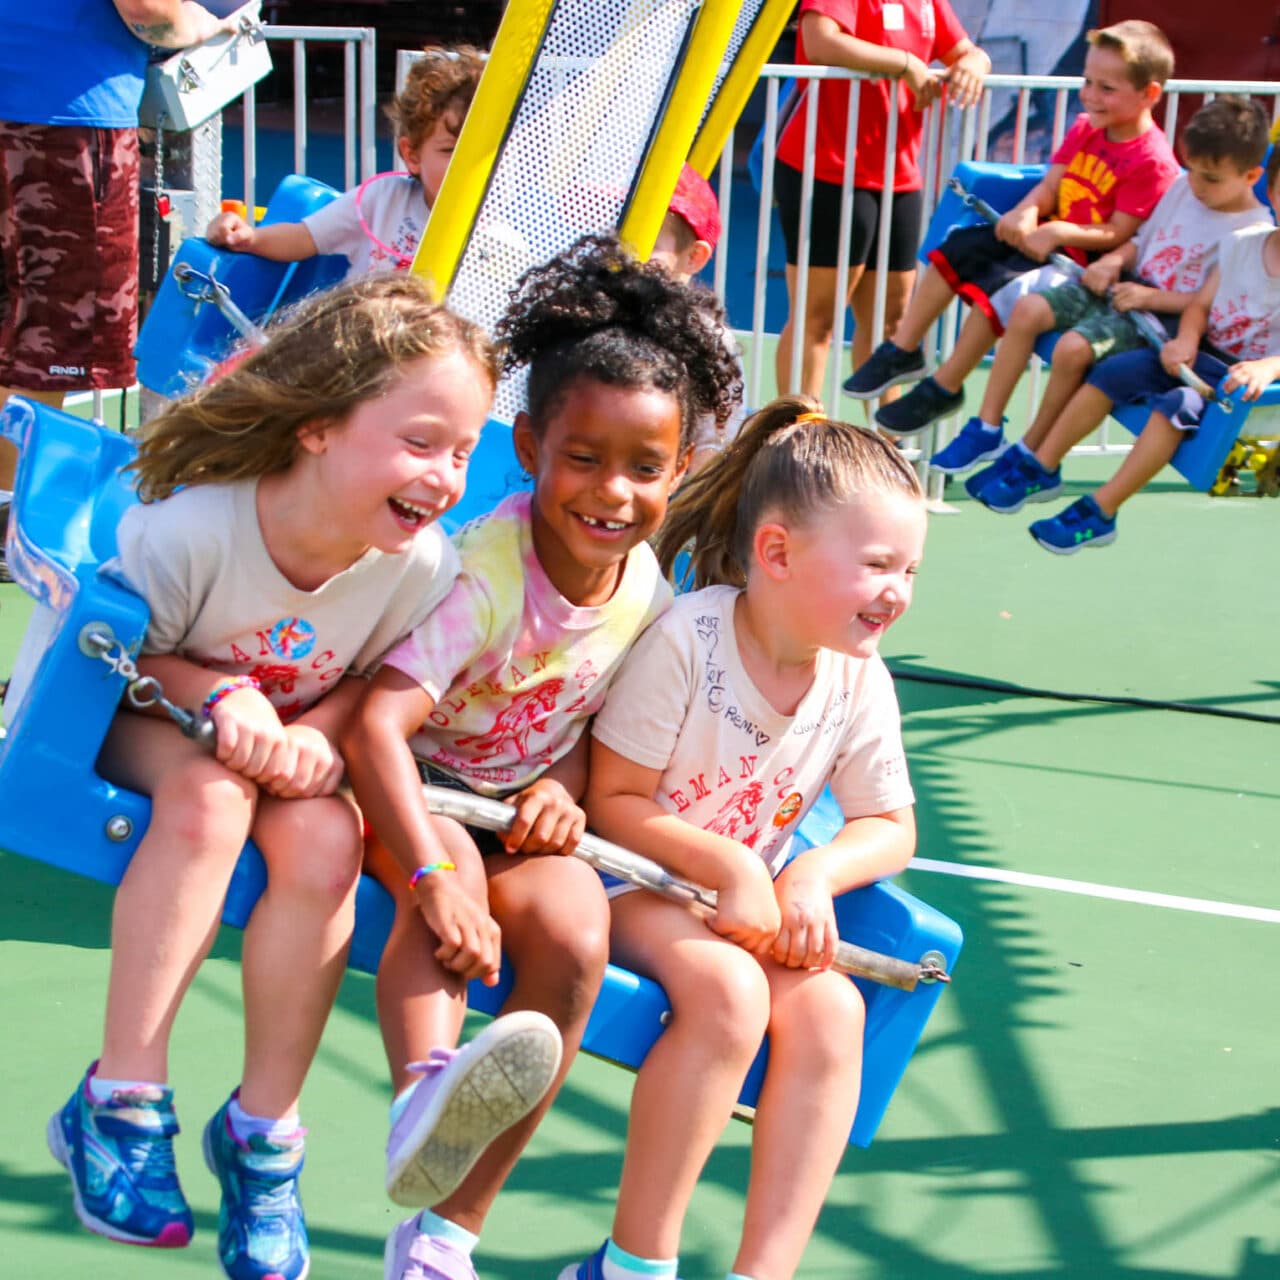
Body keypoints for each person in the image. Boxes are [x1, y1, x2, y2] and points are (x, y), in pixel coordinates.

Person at [46, 275, 498, 1280]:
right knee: (210, 800)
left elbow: (370, 684)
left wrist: (325, 734)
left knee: (330, 838)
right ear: (318, 427)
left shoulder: (415, 565)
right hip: (126, 711)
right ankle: (118, 1099)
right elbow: (115, 659)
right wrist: (220, 695)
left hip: (278, 744)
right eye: (422, 441)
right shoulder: (195, 528)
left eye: (464, 451)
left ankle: (263, 1135)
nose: (447, 475)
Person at [340, 233, 743, 1280]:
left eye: (644, 466)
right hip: (414, 789)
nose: (611, 490)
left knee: (573, 931)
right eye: (584, 457)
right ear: (528, 447)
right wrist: (427, 870)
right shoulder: (486, 572)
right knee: (457, 896)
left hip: (512, 806)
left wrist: (563, 796)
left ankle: (443, 1235)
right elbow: (378, 724)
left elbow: (581, 734)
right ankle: (423, 1092)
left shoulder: (646, 589)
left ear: (681, 470)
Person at [563, 399, 926, 1280]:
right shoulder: (690, 640)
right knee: (729, 994)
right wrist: (731, 864)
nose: (898, 590)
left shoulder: (857, 677)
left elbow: (890, 826)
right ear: (776, 553)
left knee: (836, 1013)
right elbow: (613, 799)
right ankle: (634, 1264)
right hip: (633, 880)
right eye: (877, 564)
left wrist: (813, 875)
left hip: (744, 898)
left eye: (910, 568)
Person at [846, 19, 1180, 439]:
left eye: (1106, 89)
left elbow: (1117, 233)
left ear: (1149, 93)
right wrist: (1025, 212)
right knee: (955, 250)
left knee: (1001, 293)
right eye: (1088, 82)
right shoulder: (1085, 127)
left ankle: (944, 386)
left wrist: (1057, 233)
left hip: (1078, 269)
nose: (1090, 96)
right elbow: (1051, 185)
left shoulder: (1151, 161)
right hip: (1043, 242)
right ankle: (903, 349)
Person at [0, 0, 241, 580]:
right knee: (49, 347)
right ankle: (12, 516)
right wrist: (209, 24)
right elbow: (148, 9)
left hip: (41, 106)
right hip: (61, 121)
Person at [935, 95, 1271, 483]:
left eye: (1210, 178)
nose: (1196, 184)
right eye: (1192, 170)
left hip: (1162, 320)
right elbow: (1142, 242)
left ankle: (1032, 449)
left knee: (1072, 349)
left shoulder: (1252, 230)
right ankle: (987, 429)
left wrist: (1151, 298)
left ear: (1250, 177)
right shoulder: (1183, 187)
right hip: (1127, 292)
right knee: (1027, 308)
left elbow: (1215, 306)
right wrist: (1114, 261)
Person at [1005, 147, 1280, 553]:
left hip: (1250, 396)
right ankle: (1041, 464)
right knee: (1115, 371)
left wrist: (1268, 367)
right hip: (1204, 359)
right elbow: (1200, 307)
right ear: (1271, 192)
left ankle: (1100, 510)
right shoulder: (1242, 244)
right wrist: (1185, 339)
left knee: (1178, 406)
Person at [773, 0, 989, 400]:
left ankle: (884, 448)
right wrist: (905, 62)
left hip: (898, 176)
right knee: (816, 318)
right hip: (827, 166)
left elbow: (966, 51)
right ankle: (796, 437)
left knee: (891, 327)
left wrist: (976, 62)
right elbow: (819, 41)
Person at [205, 45, 485, 275]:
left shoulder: (500, 226)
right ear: (412, 156)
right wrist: (249, 238)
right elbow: (304, 237)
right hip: (363, 335)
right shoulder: (383, 200)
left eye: (480, 152)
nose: (465, 165)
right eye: (450, 151)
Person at [649, 162, 746, 472]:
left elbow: (714, 444)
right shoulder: (591, 317)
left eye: (649, 240)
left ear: (693, 257)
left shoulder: (708, 341)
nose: (626, 249)